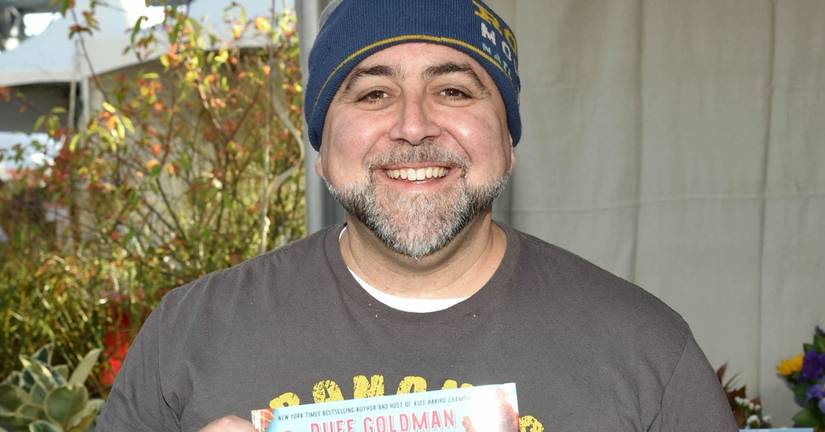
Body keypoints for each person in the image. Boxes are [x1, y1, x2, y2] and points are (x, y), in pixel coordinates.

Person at [96, 1, 738, 431]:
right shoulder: (191, 333)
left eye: (454, 89)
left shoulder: (646, 348)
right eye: (374, 93)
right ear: (322, 151)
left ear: (508, 141)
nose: (413, 126)